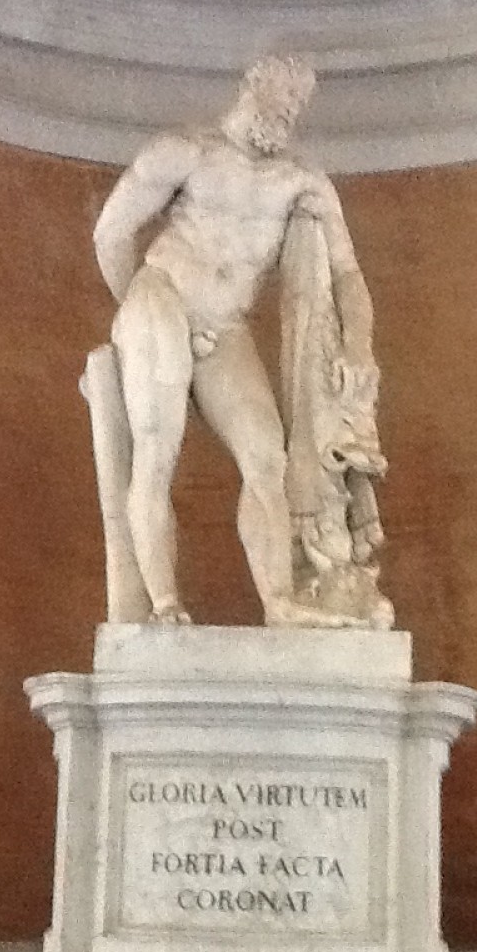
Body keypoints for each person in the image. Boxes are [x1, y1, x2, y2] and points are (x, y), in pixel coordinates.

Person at [92, 56, 384, 627]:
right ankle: (164, 605)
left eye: (297, 104)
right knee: (157, 453)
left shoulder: (302, 181)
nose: (288, 111)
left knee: (267, 457)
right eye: (281, 95)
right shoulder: (184, 151)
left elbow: (349, 275)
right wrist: (141, 311)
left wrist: (359, 344)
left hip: (226, 326)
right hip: (161, 297)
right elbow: (111, 233)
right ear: (250, 85)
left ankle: (279, 602)